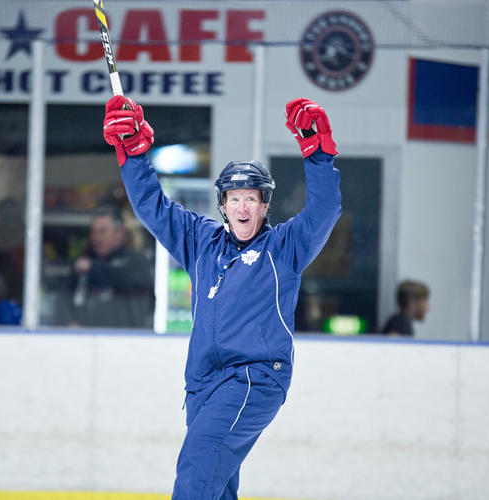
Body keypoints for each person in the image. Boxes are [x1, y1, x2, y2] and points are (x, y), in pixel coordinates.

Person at [102, 96, 342, 499]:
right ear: (223, 206)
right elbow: (153, 208)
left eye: (252, 198)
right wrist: (132, 154)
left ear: (265, 206)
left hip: (254, 377)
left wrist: (318, 154)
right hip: (202, 384)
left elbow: (324, 211)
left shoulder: (284, 248)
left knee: (197, 467)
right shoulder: (201, 242)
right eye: (234, 198)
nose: (243, 206)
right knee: (218, 488)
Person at [62, 206, 154, 328]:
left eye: (102, 232)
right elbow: (62, 299)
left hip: (127, 340)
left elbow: (135, 283)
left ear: (119, 233)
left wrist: (94, 269)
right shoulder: (83, 262)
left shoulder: (136, 262)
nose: (97, 238)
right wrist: (69, 322)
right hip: (87, 340)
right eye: (94, 232)